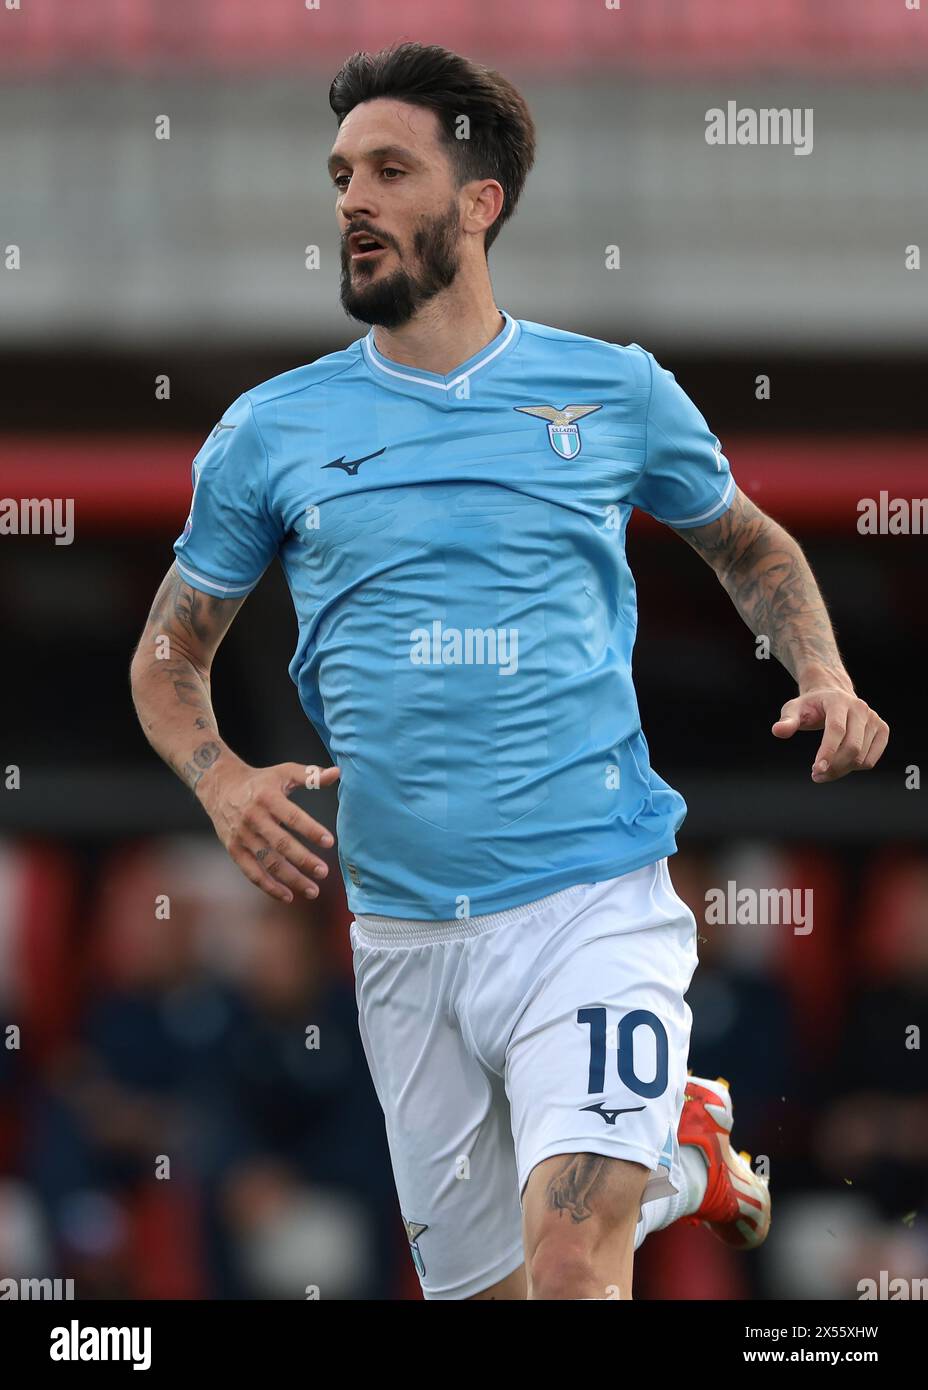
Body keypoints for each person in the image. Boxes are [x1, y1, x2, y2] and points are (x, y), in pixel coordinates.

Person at [130, 42, 889, 1300]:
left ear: (480, 203)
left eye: (388, 170)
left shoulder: (613, 390)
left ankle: (645, 1165)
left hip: (586, 901)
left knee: (570, 1261)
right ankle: (683, 1158)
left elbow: (748, 542)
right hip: (404, 936)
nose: (351, 203)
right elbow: (170, 657)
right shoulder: (269, 431)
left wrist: (824, 668)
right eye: (339, 177)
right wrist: (216, 778)